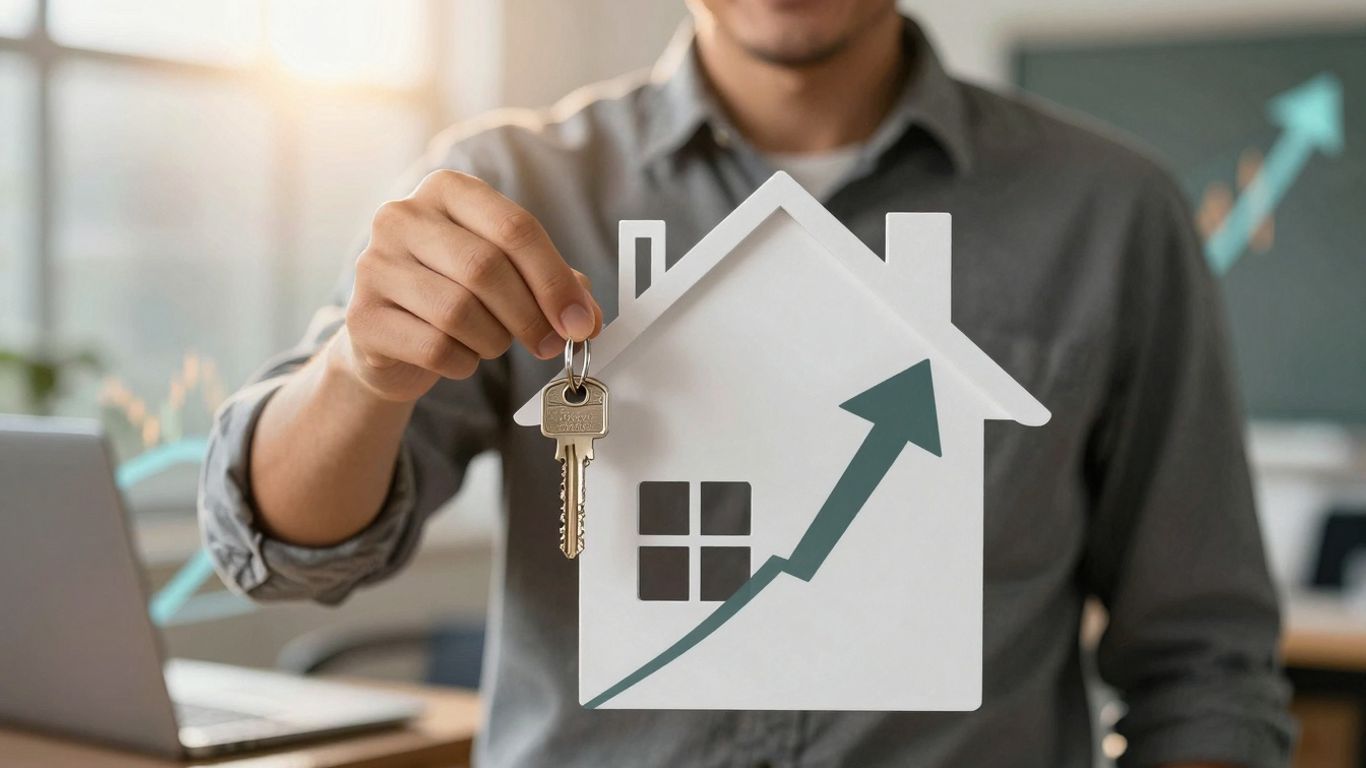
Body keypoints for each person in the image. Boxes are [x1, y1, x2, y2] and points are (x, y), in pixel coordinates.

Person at [199, 1, 1294, 766]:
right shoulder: (508, 188)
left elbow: (1205, 664)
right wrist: (360, 368)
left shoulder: (1110, 216)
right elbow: (285, 556)